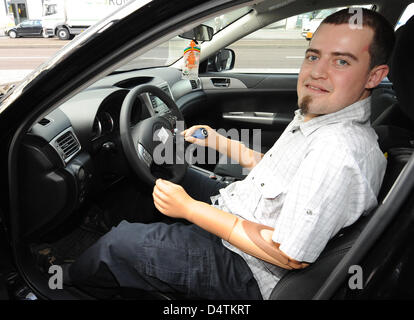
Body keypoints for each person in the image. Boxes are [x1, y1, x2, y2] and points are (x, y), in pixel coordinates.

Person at [63, 8, 395, 300]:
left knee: (121, 245)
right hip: (245, 212)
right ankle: (100, 227)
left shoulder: (337, 151)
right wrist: (221, 142)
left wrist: (190, 209)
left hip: (248, 268)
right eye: (313, 56)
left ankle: (63, 284)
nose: (316, 73)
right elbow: (280, 172)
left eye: (340, 61)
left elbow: (290, 256)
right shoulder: (321, 118)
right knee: (166, 173)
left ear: (374, 76)